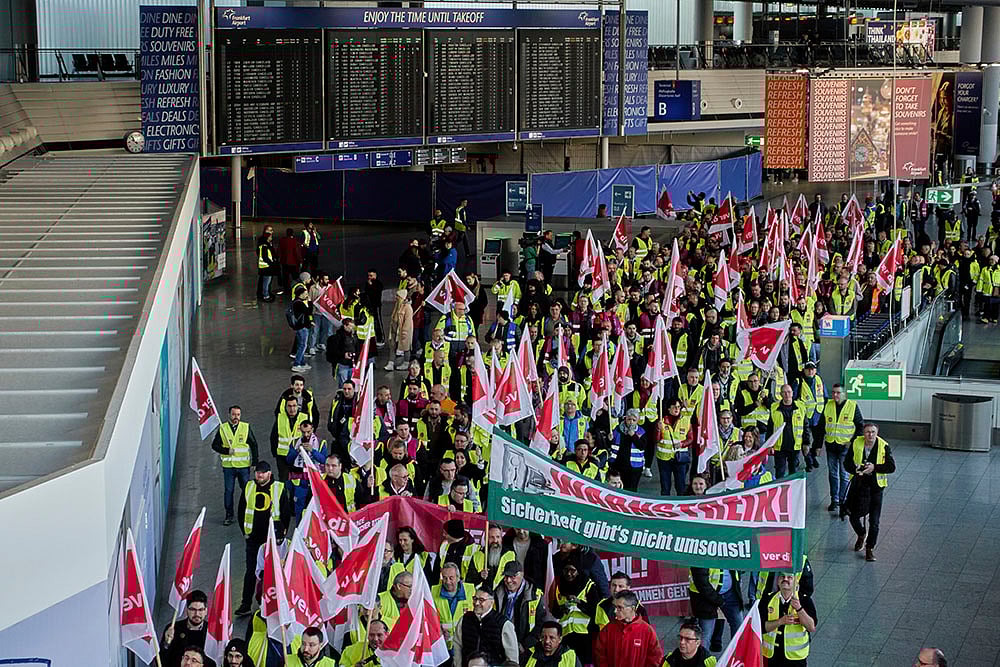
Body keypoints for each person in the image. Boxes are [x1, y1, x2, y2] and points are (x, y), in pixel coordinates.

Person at [235, 462, 292, 616]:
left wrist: (282, 534)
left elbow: (286, 512)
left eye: (262, 472)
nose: (259, 475)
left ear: (269, 473)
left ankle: (272, 602)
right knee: (251, 571)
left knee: (274, 571)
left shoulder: (279, 488)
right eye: (257, 472)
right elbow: (241, 510)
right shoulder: (249, 487)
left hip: (272, 540)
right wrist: (245, 532)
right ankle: (245, 604)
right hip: (253, 538)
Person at [843, 423, 896, 562]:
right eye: (867, 432)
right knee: (853, 516)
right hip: (859, 487)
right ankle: (861, 534)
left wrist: (874, 467)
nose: (870, 435)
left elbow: (891, 467)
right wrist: (857, 469)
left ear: (877, 433)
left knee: (874, 521)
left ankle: (869, 548)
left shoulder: (884, 446)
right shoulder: (856, 443)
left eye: (873, 432)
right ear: (863, 433)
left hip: (876, 488)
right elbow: (846, 463)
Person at [817, 383, 863, 513]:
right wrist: (818, 446)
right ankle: (834, 500)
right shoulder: (828, 405)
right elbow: (821, 427)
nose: (835, 395)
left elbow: (860, 426)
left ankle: (843, 502)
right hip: (831, 446)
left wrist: (852, 442)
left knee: (844, 475)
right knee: (832, 475)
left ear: (844, 394)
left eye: (838, 392)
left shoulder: (852, 406)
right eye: (833, 392)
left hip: (845, 448)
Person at [211, 405, 259, 526]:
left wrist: (255, 463)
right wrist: (226, 451)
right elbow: (214, 445)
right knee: (229, 491)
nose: (236, 417)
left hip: (243, 466)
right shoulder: (223, 429)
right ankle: (229, 515)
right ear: (229, 415)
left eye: (238, 414)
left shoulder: (245, 427)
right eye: (233, 414)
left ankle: (246, 513)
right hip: (229, 467)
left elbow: (254, 445)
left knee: (246, 491)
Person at [494, 560, 548, 662]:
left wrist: (525, 645)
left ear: (522, 575)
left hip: (524, 649)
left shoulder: (535, 595)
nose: (508, 580)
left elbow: (541, 623)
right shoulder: (497, 592)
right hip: (500, 646)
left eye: (513, 576)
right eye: (506, 576)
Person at [760, 572, 817, 666]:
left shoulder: (805, 600)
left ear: (796, 583)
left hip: (796, 658)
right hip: (772, 657)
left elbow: (811, 627)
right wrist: (780, 622)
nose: (785, 579)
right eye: (782, 576)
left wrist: (799, 608)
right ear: (778, 581)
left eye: (789, 577)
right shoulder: (768, 600)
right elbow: (762, 627)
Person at [593, 591, 663, 667]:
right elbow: (600, 655)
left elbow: (655, 658)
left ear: (632, 609)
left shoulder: (647, 631)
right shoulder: (608, 630)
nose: (615, 611)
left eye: (619, 607)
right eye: (615, 607)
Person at [453, 587, 519, 667]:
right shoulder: (464, 619)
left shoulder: (503, 624)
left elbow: (512, 659)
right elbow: (457, 646)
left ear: (491, 602)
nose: (476, 603)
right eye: (475, 598)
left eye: (481, 600)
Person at [688, 567, 744, 652]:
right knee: (705, 635)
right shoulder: (700, 556)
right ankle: (702, 661)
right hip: (705, 598)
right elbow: (702, 583)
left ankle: (737, 657)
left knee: (739, 626)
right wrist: (719, 601)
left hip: (729, 593)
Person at [159, 590, 209, 667]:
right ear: (187, 610)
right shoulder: (174, 628)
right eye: (193, 609)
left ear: (206, 611)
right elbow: (162, 659)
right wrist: (166, 643)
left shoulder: (211, 632)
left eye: (200, 610)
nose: (197, 614)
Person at [432, 562, 475, 651]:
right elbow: (429, 618)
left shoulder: (471, 591)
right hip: (443, 646)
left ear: (458, 578)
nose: (447, 582)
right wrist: (439, 630)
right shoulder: (433, 592)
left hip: (465, 645)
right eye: (444, 578)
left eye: (451, 578)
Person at [289, 284, 314, 372]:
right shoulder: (299, 303)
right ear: (300, 294)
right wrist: (310, 302)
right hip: (302, 327)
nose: (307, 295)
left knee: (301, 345)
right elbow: (308, 312)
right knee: (302, 345)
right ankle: (297, 364)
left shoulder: (295, 302)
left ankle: (302, 362)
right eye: (305, 293)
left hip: (300, 326)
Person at [326, 317, 358, 387]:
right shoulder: (337, 337)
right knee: (343, 385)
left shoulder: (353, 336)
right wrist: (344, 354)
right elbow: (334, 350)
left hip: (351, 364)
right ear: (345, 326)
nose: (352, 329)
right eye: (350, 327)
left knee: (351, 384)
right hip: (342, 364)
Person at [256, 224, 279, 301]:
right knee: (265, 281)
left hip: (267, 266)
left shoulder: (268, 242)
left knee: (267, 281)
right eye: (269, 230)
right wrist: (271, 262)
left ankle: (266, 293)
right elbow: (264, 255)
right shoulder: (263, 243)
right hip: (266, 266)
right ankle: (264, 294)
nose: (271, 232)